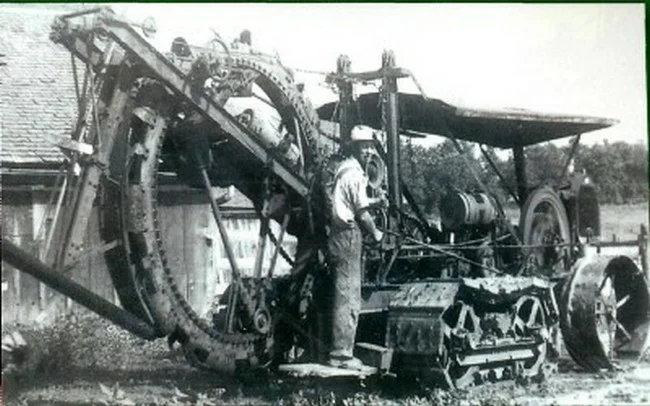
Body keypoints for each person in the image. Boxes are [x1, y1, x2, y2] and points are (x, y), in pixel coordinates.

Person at [326, 124, 384, 371]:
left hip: (337, 235)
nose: (370, 152)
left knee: (342, 291)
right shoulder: (355, 174)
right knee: (349, 296)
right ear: (355, 148)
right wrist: (376, 233)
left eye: (371, 147)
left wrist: (375, 200)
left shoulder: (343, 170)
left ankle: (340, 350)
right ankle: (341, 355)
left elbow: (353, 200)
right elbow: (361, 213)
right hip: (349, 235)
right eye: (365, 147)